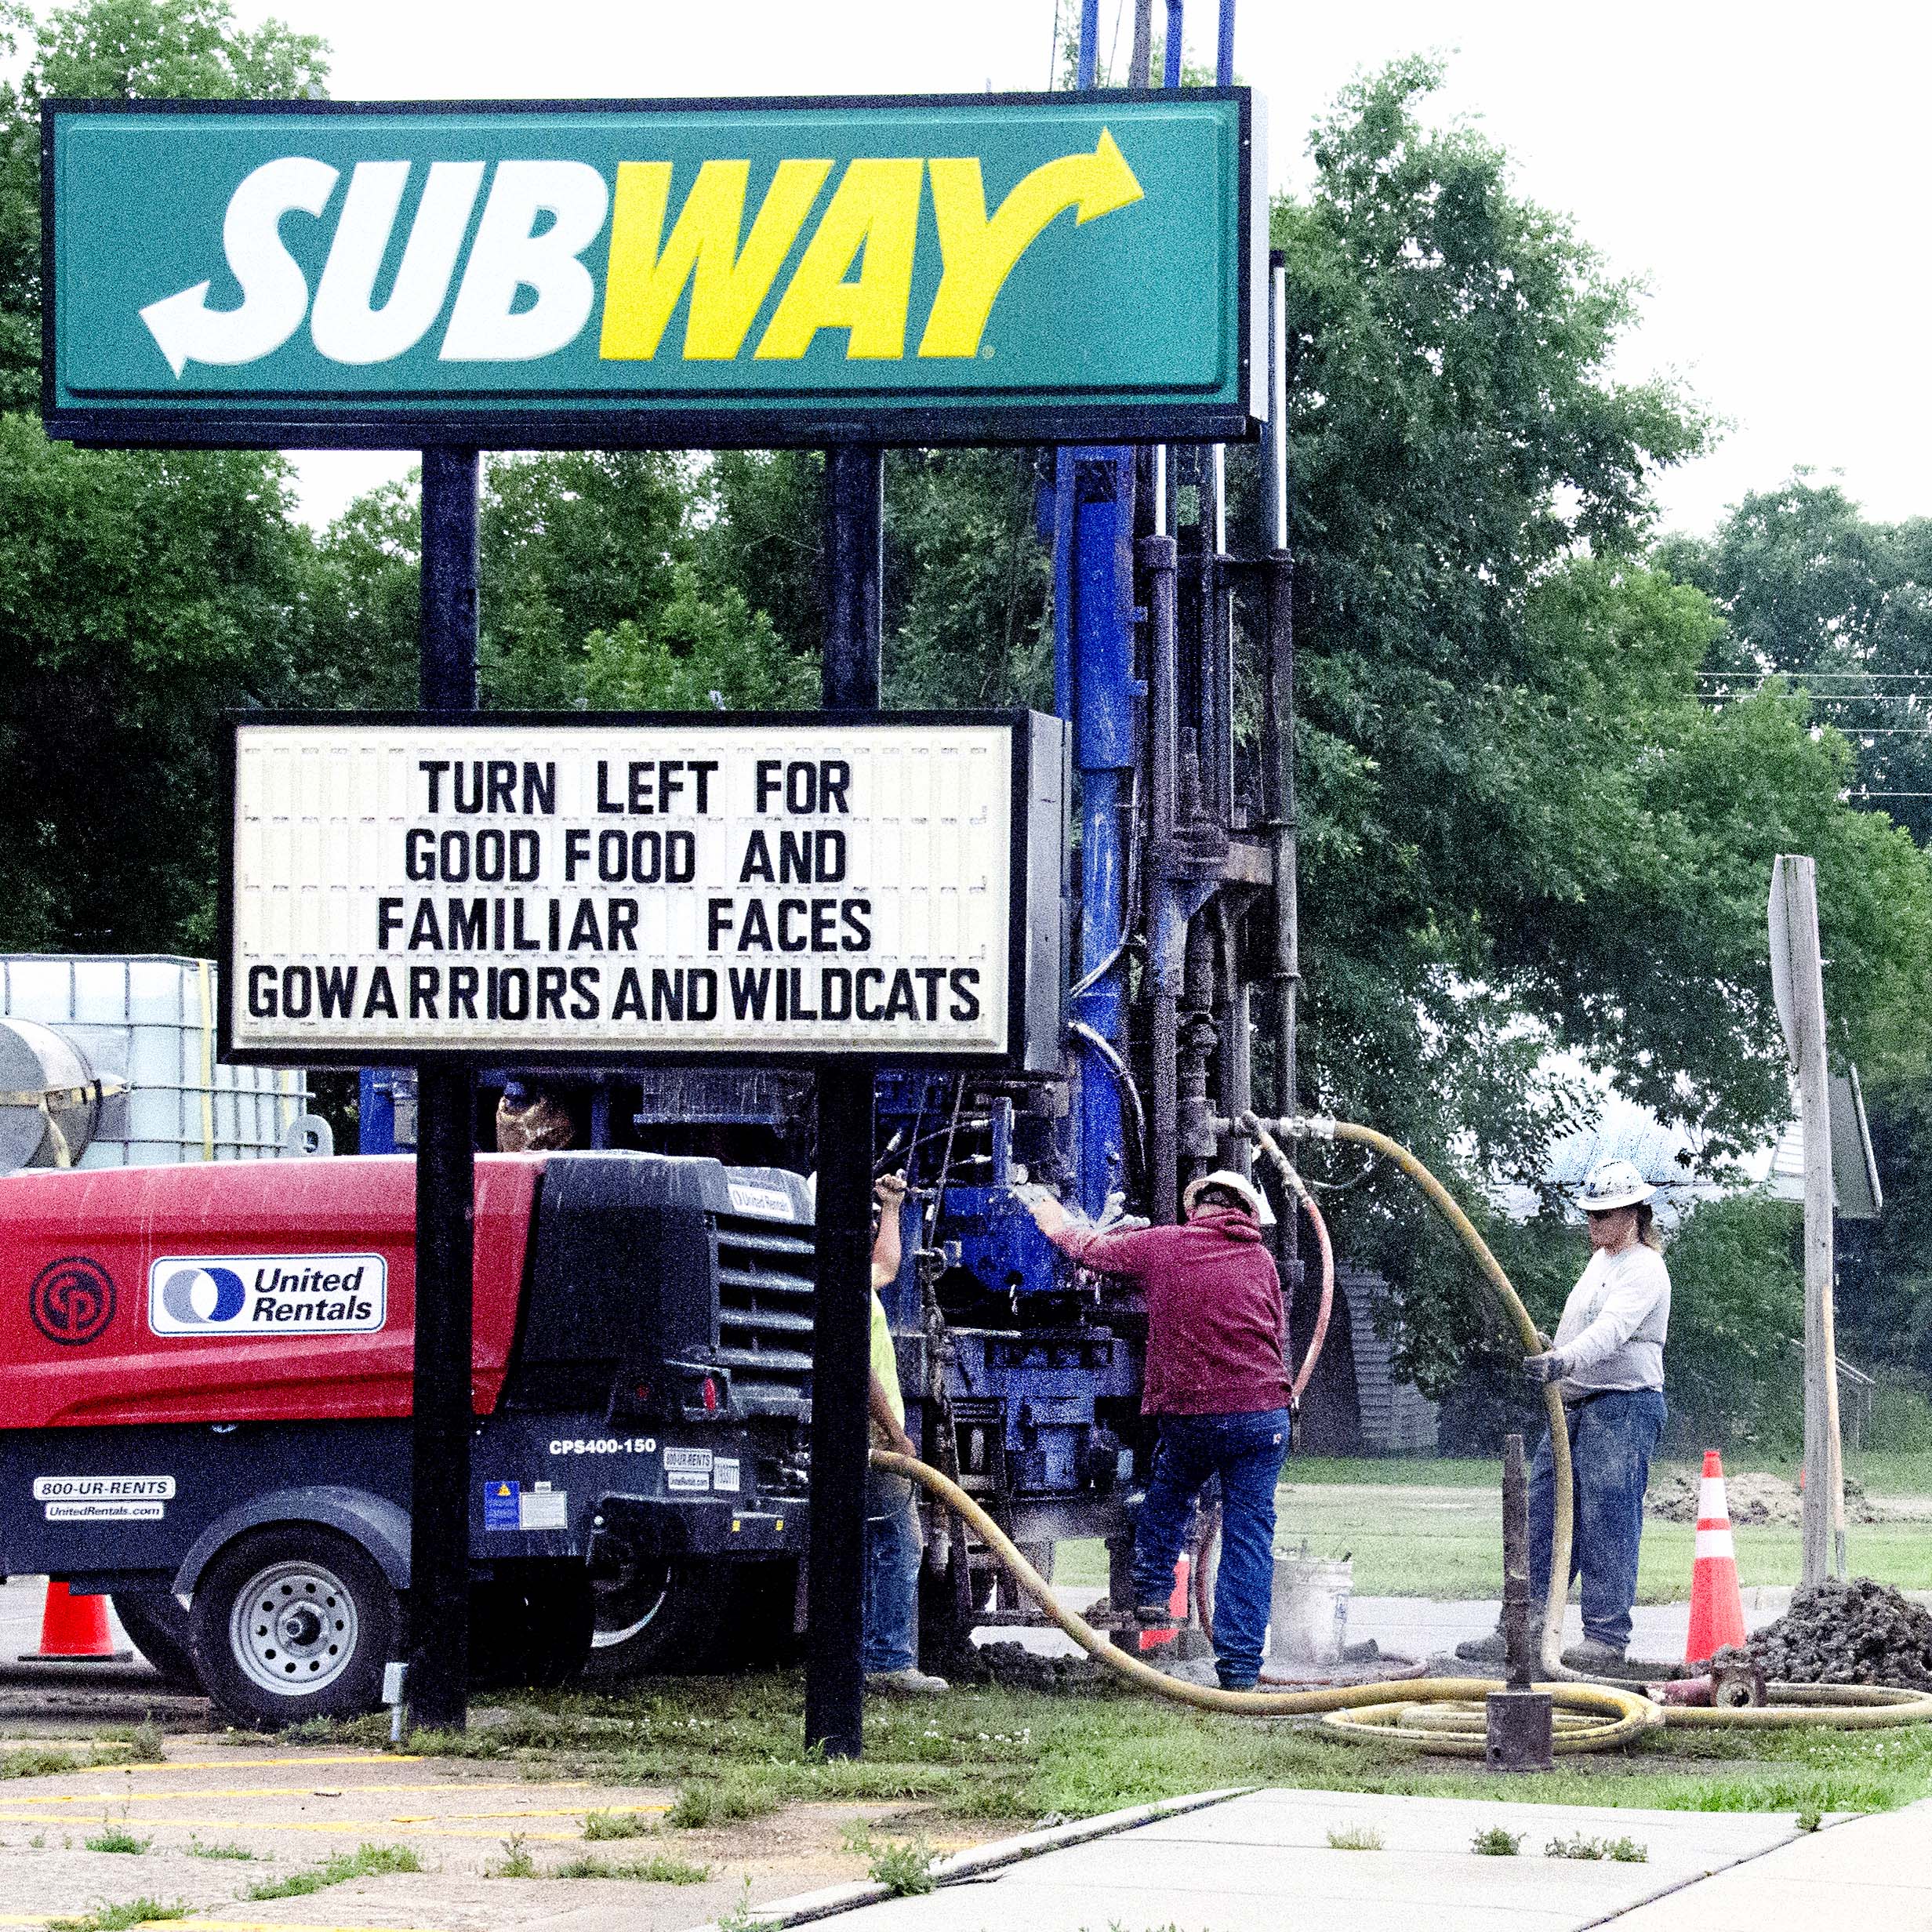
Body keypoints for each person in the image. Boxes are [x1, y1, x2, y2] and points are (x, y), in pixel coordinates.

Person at [1026, 1169, 1289, 1691]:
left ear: (1198, 1210)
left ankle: (1149, 1593)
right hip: (1263, 1416)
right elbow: (1276, 1332)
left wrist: (1055, 1224)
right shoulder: (1262, 1261)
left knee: (1169, 1490)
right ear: (1247, 1213)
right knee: (1249, 1539)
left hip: (1194, 1414)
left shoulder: (1167, 1245)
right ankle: (1238, 1674)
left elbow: (1095, 1250)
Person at [1461, 1157, 1671, 1673]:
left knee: (1607, 1519)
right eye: (1591, 1215)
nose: (1594, 1225)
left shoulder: (1644, 1267)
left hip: (1623, 1405)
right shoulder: (1602, 1260)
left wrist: (1562, 1360)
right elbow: (1584, 1328)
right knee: (1543, 1512)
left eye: (1604, 1216)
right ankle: (1524, 1628)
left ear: (1633, 1214)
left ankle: (1605, 1639)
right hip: (1577, 1403)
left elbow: (1613, 1333)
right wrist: (1561, 1350)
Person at [862, 1171, 948, 1696]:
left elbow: (888, 1266)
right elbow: (856, 1368)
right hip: (873, 1429)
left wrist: (891, 1207)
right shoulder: (835, 1290)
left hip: (875, 1427)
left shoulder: (842, 1279)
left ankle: (872, 1656)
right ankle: (888, 1660)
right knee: (898, 1543)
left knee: (881, 1542)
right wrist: (895, 1431)